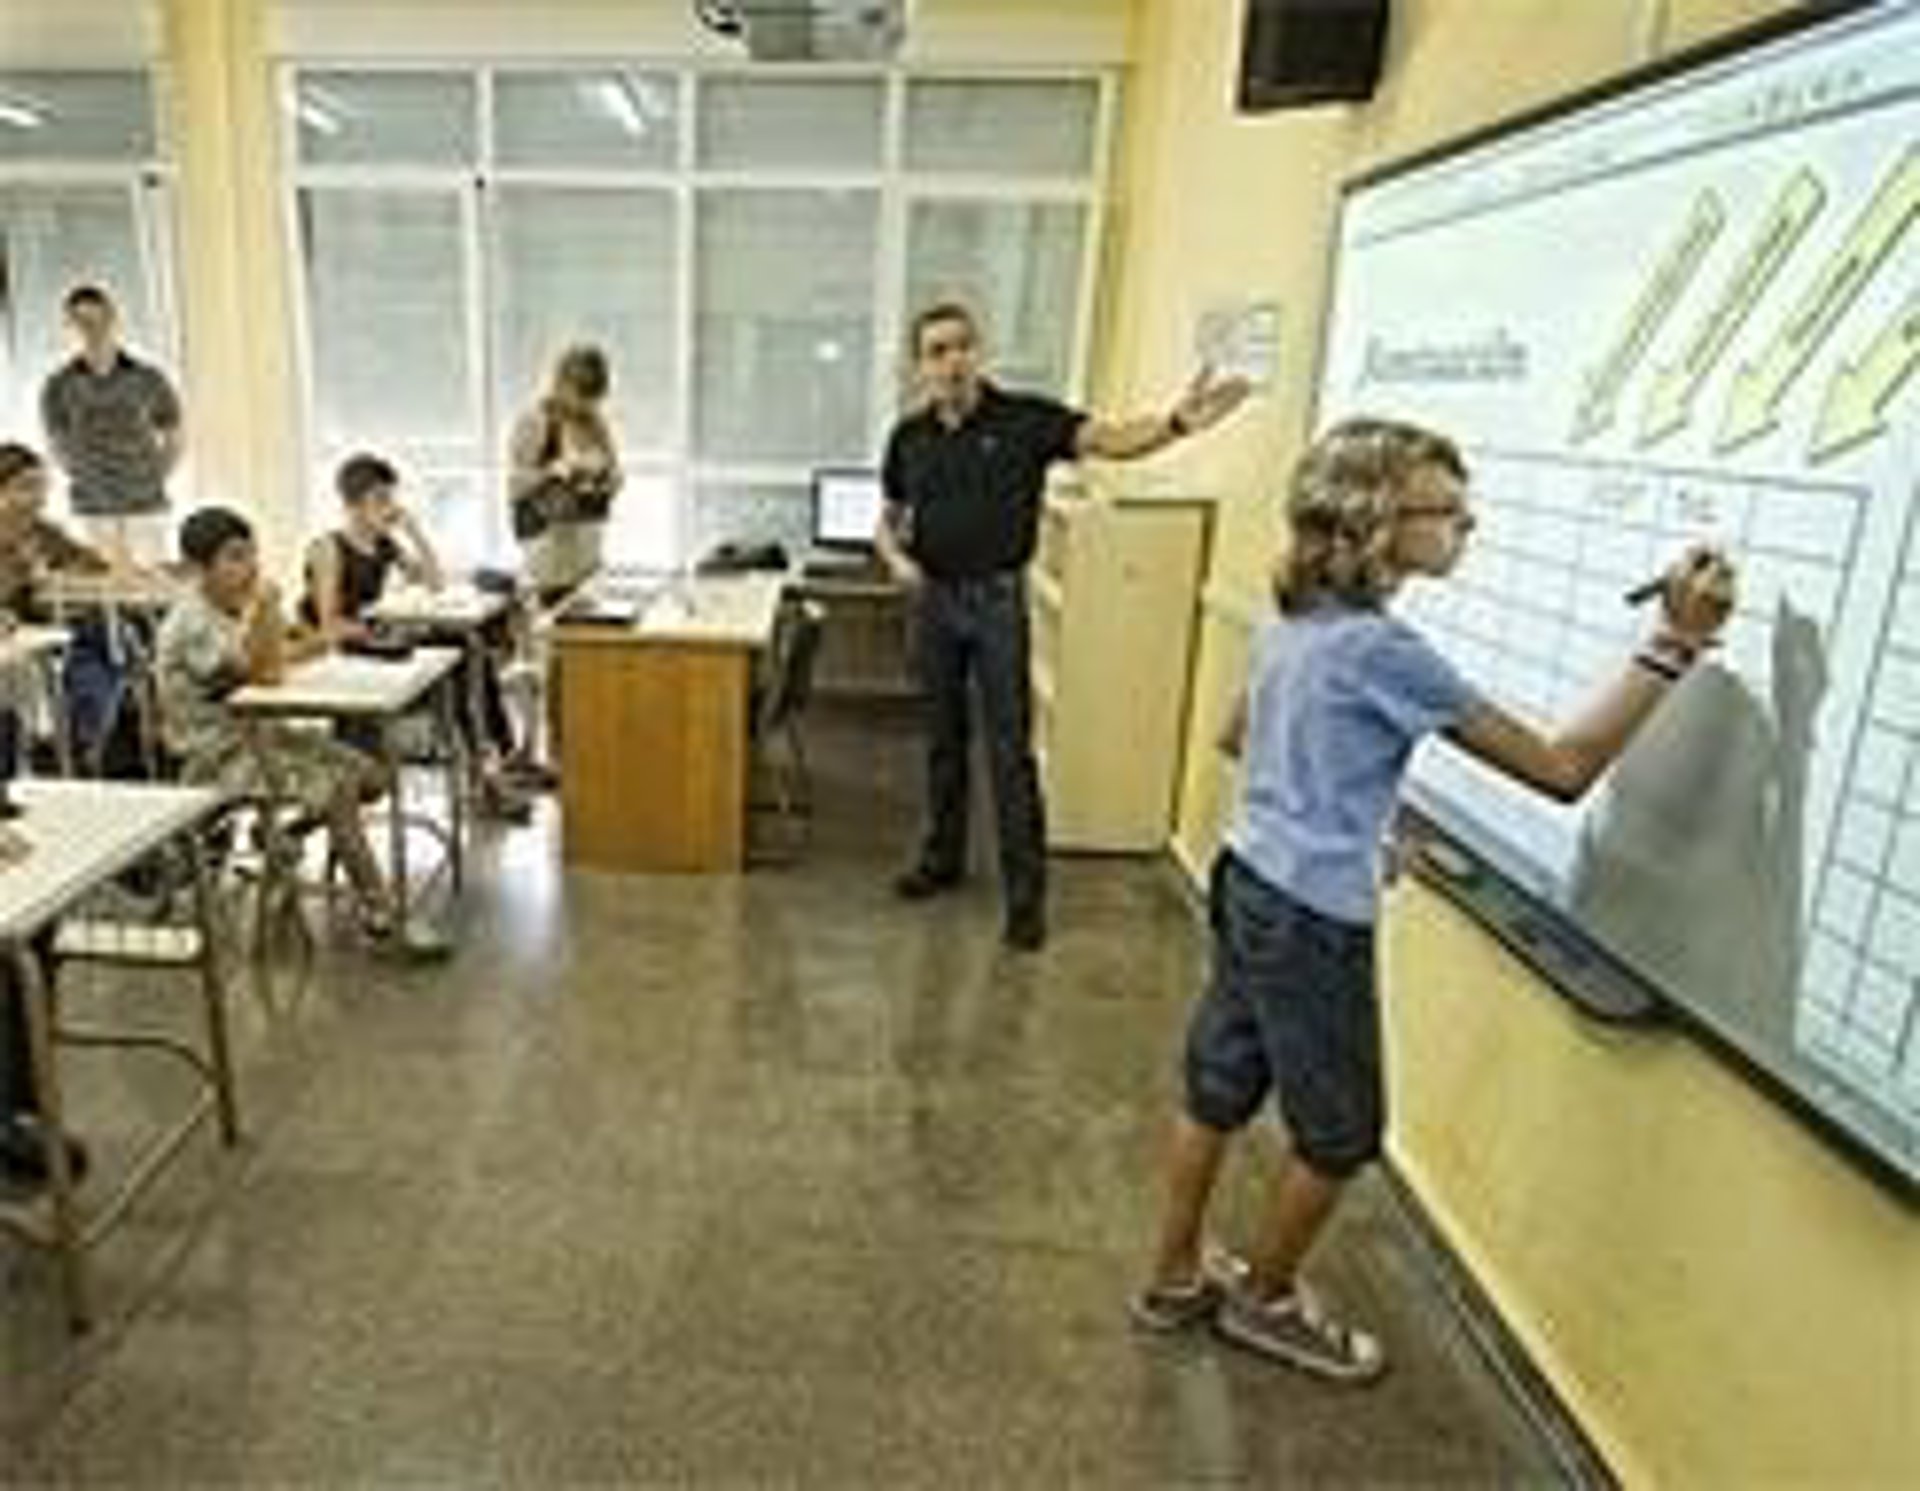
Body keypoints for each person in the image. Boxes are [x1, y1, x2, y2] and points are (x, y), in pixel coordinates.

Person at [1129, 417, 1735, 1383]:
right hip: (1311, 918)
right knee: (1341, 1135)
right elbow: (1563, 768)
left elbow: (1242, 735)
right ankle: (1265, 1301)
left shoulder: (1295, 615)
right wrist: (1674, 642)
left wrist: (1352, 820)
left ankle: (1171, 1276)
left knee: (1218, 1084)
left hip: (1249, 877)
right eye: (1445, 510)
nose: (1468, 525)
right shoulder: (1385, 650)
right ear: (1374, 522)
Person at [876, 301, 1250, 951]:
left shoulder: (1024, 420)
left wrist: (1176, 424)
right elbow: (890, 518)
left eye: (963, 346)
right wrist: (895, 558)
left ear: (978, 352)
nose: (953, 360)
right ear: (920, 367)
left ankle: (1026, 901)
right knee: (942, 742)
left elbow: (1111, 439)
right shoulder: (908, 438)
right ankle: (941, 861)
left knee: (1009, 751)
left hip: (997, 602)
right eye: (937, 351)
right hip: (933, 600)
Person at [155, 506, 399, 941]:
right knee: (338, 790)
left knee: (374, 777)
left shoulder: (236, 606)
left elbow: (301, 646)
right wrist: (271, 616)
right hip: (214, 754)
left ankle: (281, 833)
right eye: (235, 557)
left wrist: (285, 630)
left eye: (252, 554)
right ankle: (379, 905)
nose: (250, 567)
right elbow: (268, 670)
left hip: (263, 735)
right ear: (199, 568)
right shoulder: (192, 621)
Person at [302, 452, 530, 822]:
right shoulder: (328, 548)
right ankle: (489, 774)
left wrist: (412, 530)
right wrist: (378, 627)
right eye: (380, 500)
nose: (389, 508)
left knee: (470, 651)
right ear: (353, 504)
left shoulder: (383, 544)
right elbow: (328, 626)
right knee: (461, 660)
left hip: (375, 639)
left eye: (390, 498)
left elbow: (435, 582)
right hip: (347, 652)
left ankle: (494, 766)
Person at [39, 283, 182, 567]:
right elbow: (55, 440)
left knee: (152, 576)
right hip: (92, 503)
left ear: (112, 318)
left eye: (97, 320)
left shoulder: (148, 377)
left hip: (144, 499)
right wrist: (81, 473)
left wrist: (156, 473)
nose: (91, 330)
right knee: (100, 577)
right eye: (81, 323)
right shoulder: (59, 384)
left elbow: (173, 431)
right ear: (70, 326)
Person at [0, 441, 111, 772]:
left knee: (110, 636)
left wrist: (61, 575)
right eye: (25, 487)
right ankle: (69, 743)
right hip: (17, 642)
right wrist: (24, 572)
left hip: (43, 634)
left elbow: (95, 565)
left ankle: (85, 740)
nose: (37, 498)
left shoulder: (41, 532)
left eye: (41, 488)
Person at [507, 344, 621, 604]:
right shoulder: (535, 420)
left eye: (594, 397)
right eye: (582, 395)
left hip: (588, 545)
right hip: (548, 549)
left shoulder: (595, 422)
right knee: (554, 615)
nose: (587, 404)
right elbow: (515, 485)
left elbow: (614, 471)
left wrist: (609, 480)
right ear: (561, 384)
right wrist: (553, 471)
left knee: (589, 615)